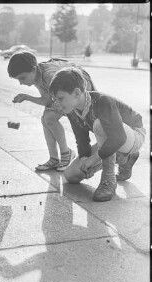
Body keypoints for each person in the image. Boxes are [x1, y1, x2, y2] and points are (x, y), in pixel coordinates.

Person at [49, 66, 145, 202]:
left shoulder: (102, 101)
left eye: (60, 98)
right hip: (113, 139)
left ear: (76, 93)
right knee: (71, 175)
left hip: (133, 135)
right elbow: (81, 140)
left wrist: (93, 160)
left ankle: (108, 180)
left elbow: (119, 137)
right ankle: (124, 158)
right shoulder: (72, 110)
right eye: (55, 100)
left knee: (99, 126)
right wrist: (84, 159)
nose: (57, 104)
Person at [7, 51, 97, 172]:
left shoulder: (49, 75)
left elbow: (64, 99)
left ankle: (67, 154)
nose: (21, 82)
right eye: (18, 79)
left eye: (22, 78)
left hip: (81, 95)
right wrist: (26, 97)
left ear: (34, 69)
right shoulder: (37, 75)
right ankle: (54, 158)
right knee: (45, 119)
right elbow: (48, 100)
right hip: (70, 95)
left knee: (49, 117)